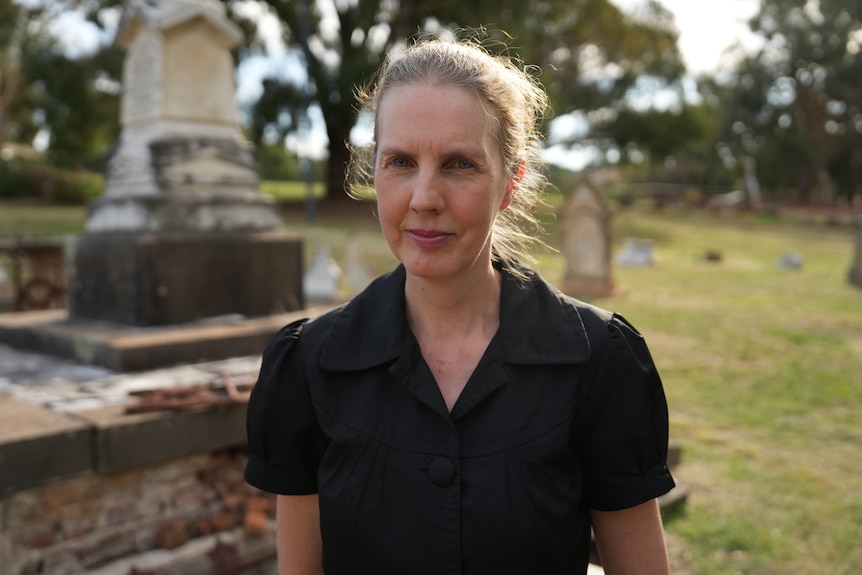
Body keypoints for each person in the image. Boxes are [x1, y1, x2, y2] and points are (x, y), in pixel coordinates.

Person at [245, 36, 675, 575]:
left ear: (511, 181)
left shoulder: (600, 360)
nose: (425, 197)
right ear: (373, 172)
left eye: (459, 164)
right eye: (400, 161)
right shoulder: (308, 366)